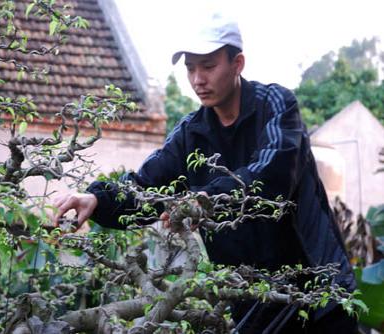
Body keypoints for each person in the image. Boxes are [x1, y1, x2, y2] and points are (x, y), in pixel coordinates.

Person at [54, 13, 357, 333]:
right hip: (250, 301)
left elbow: (272, 175)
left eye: (209, 66)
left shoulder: (276, 105)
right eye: (190, 68)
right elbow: (146, 188)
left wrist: (205, 200)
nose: (198, 78)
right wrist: (96, 200)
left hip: (320, 292)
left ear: (237, 63)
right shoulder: (190, 133)